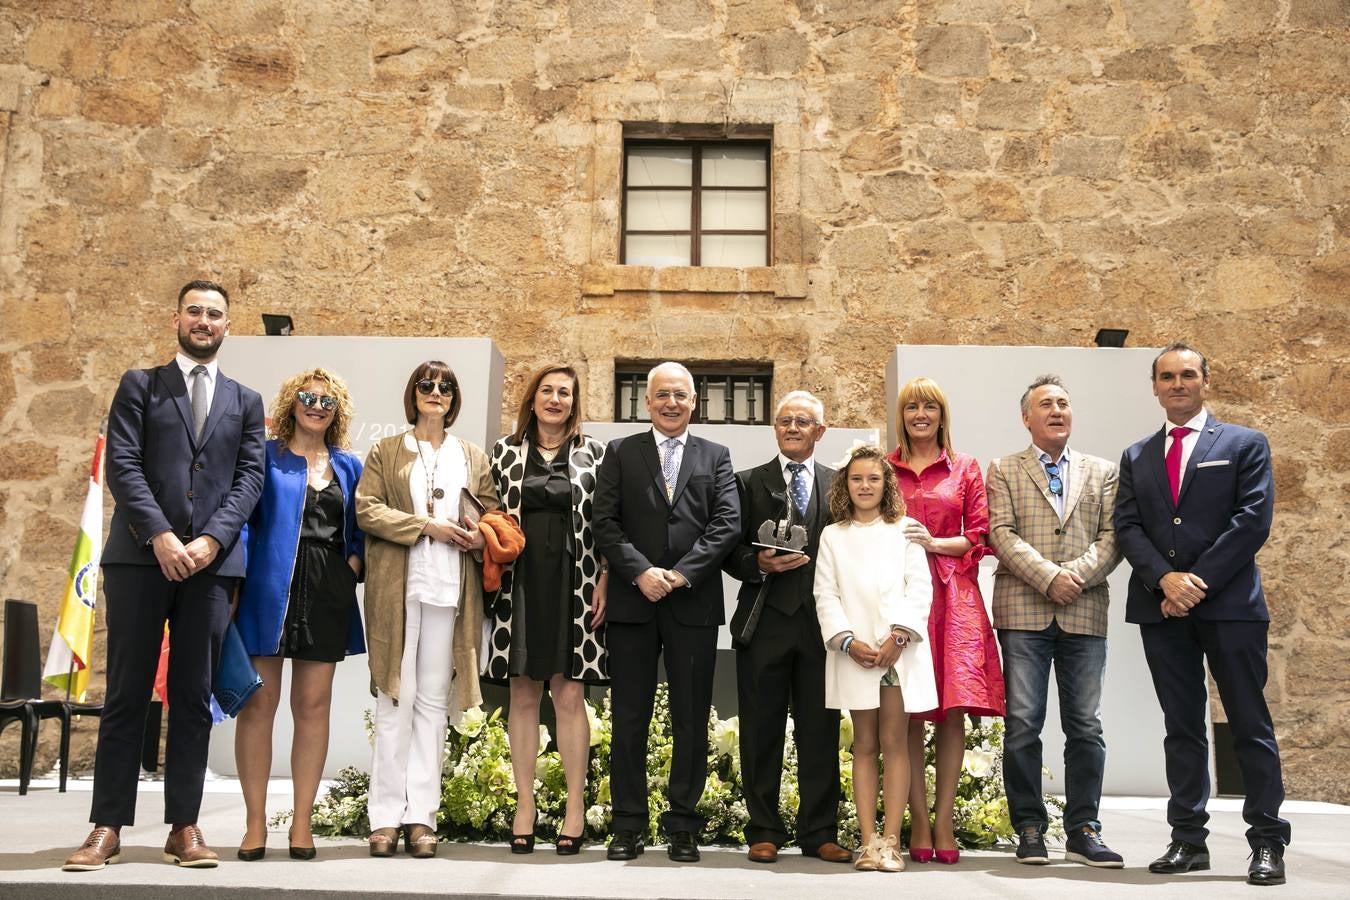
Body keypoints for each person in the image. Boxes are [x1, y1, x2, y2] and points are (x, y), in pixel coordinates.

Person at [64, 280, 265, 872]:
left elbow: (248, 480)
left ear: (229, 325)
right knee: (126, 692)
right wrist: (161, 536)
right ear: (177, 317)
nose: (205, 321)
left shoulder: (246, 401)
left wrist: (209, 540)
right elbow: (122, 464)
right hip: (139, 558)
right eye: (196, 311)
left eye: (216, 314)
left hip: (209, 566)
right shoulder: (140, 385)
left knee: (192, 697)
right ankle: (106, 826)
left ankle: (184, 826)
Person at [1114, 343, 1289, 886]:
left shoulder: (1244, 444)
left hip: (1230, 607)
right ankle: (1188, 839)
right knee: (1181, 727)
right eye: (1166, 376)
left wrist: (1196, 582)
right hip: (1161, 607)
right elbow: (1127, 526)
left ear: (1205, 382)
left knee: (1248, 724)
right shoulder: (1137, 454)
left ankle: (1266, 842)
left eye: (1187, 374)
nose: (1177, 384)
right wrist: (1163, 580)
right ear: (1155, 387)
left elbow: (1252, 521)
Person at [593, 361, 740, 864]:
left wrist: (679, 575)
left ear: (694, 401)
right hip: (634, 605)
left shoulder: (716, 456)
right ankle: (628, 825)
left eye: (680, 395)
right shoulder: (620, 453)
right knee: (629, 717)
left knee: (691, 718)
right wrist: (639, 572)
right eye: (662, 395)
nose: (671, 403)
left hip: (692, 605)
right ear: (647, 402)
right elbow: (604, 521)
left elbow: (726, 524)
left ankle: (683, 825)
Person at [355, 361, 497, 859]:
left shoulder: (472, 455)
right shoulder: (386, 449)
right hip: (399, 588)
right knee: (395, 699)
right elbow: (366, 508)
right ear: (413, 394)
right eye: (426, 385)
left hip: (451, 593)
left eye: (445, 387)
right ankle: (384, 818)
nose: (436, 392)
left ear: (454, 399)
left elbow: (491, 512)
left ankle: (421, 818)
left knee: (434, 704)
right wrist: (426, 526)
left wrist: (479, 532)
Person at [985, 374, 1123, 868]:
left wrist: (1075, 576)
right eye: (1046, 404)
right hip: (1023, 611)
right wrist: (1048, 578)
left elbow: (1114, 536)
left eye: (1064, 403)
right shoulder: (1003, 468)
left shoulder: (1104, 471)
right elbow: (999, 532)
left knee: (1086, 725)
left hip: (1084, 610)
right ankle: (1029, 827)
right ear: (1027, 418)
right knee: (1024, 724)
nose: (1057, 410)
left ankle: (1085, 829)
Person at [232, 368, 366, 861]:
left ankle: (302, 824)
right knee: (258, 707)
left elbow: (361, 531)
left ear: (337, 411)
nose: (316, 405)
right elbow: (244, 522)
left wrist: (350, 568)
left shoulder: (350, 466)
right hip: (269, 590)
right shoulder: (265, 456)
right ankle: (254, 825)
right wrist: (240, 581)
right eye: (307, 397)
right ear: (292, 403)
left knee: (312, 709)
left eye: (326, 400)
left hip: (328, 590)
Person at [484, 363, 609, 856]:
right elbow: (488, 511)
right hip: (520, 584)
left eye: (564, 393)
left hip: (574, 586)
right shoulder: (504, 452)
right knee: (521, 692)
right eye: (547, 391)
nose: (555, 399)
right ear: (531, 398)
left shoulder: (594, 453)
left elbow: (607, 523)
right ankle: (525, 806)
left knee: (570, 693)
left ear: (574, 403)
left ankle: (574, 810)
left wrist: (606, 576)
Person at [721, 391, 851, 865]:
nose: (792, 428)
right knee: (761, 730)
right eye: (784, 421)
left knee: (821, 731)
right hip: (764, 624)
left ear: (821, 430)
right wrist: (757, 563)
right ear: (775, 428)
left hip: (822, 627)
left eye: (803, 421)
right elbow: (727, 551)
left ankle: (819, 833)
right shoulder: (746, 483)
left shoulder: (839, 485)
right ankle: (763, 830)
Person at [887, 376, 1005, 865]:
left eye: (929, 407)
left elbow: (982, 536)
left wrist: (934, 543)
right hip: (900, 595)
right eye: (912, 406)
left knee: (952, 711)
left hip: (954, 598)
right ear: (902, 414)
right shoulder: (885, 467)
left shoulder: (965, 468)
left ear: (941, 415)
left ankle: (945, 819)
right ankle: (915, 816)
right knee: (909, 710)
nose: (920, 414)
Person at [813, 442, 936, 873]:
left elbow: (920, 588)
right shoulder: (833, 535)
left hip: (896, 655)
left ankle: (891, 842)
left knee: (894, 742)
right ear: (845, 484)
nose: (865, 485)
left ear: (887, 484)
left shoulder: (905, 529)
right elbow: (825, 594)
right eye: (856, 478)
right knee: (863, 745)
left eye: (874, 478)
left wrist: (898, 638)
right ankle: (867, 841)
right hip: (856, 654)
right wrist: (847, 641)